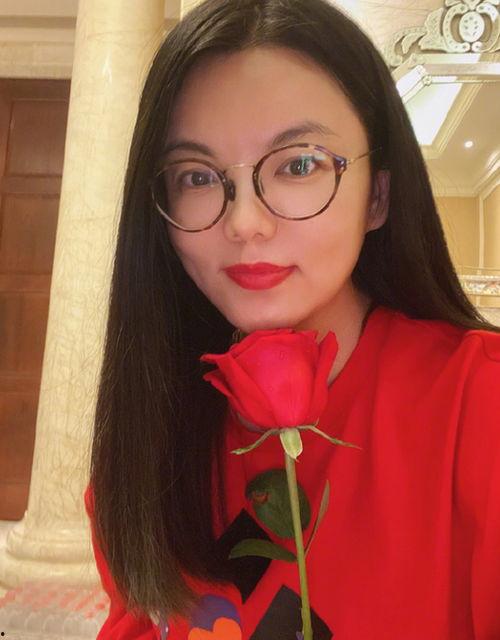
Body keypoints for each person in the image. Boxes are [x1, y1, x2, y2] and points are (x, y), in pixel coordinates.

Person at [83, 0, 500, 638]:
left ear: (378, 195)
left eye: (299, 165)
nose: (245, 223)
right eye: (196, 176)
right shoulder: (150, 437)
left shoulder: (478, 406)